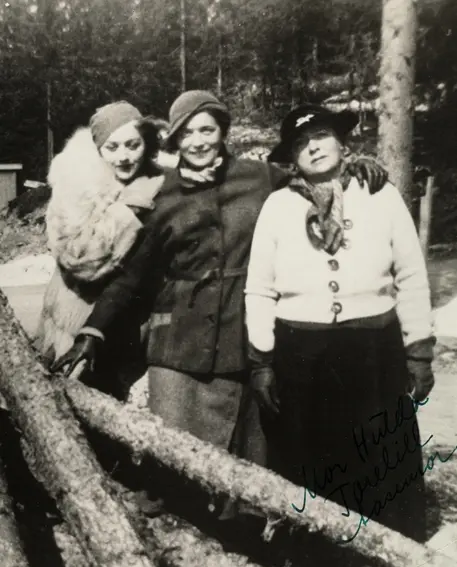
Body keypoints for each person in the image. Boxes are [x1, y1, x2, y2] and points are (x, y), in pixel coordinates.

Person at [50, 91, 387, 510]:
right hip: (177, 346)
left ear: (222, 132)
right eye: (187, 134)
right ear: (175, 140)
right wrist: (92, 331)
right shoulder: (161, 194)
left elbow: (311, 176)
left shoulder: (259, 178)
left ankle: (243, 535)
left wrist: (352, 166)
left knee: (246, 471)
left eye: (207, 130)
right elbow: (132, 276)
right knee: (171, 465)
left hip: (241, 338)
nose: (198, 142)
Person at [245, 103, 435, 543]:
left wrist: (419, 352)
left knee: (380, 452)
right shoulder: (278, 205)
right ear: (292, 158)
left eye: (321, 136)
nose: (313, 147)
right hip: (301, 352)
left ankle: (389, 553)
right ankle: (317, 554)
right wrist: (262, 361)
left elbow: (411, 275)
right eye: (301, 143)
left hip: (373, 349)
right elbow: (259, 289)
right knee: (312, 457)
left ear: (341, 142)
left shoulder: (379, 194)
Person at [35, 101, 166, 400]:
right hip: (75, 321)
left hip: (128, 325)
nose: (124, 157)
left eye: (133, 145)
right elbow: (80, 260)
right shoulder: (78, 184)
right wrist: (130, 209)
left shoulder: (154, 182)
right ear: (97, 149)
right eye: (112, 147)